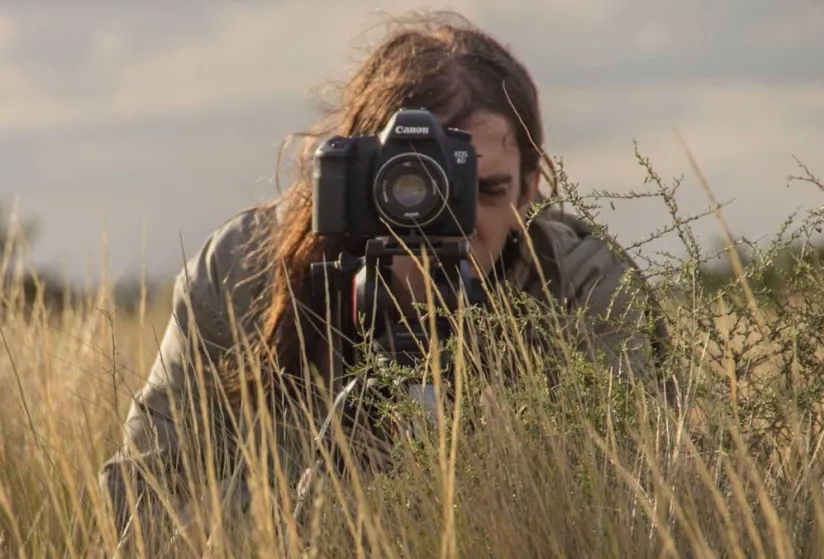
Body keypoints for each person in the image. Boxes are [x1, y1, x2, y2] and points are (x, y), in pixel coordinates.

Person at [97, 10, 673, 555]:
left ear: (528, 190)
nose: (454, 221)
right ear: (355, 179)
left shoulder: (583, 288)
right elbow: (136, 511)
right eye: (417, 186)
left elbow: (633, 511)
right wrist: (322, 507)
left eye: (486, 191)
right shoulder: (244, 274)